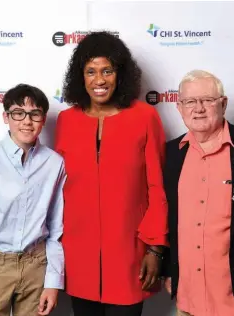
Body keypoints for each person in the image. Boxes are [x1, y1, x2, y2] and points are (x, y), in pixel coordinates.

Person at [55, 31, 168, 316]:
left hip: (130, 253)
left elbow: (157, 186)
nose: (100, 80)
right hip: (78, 255)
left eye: (107, 70)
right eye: (91, 71)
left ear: (121, 74)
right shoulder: (67, 121)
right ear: (80, 76)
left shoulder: (144, 117)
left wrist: (155, 248)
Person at [162, 70, 234, 316]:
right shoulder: (170, 154)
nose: (198, 108)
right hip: (187, 299)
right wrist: (169, 269)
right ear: (179, 107)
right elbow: (168, 216)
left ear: (223, 103)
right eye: (190, 102)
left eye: (207, 100)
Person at [0, 84, 66, 316]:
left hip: (36, 266)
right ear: (6, 117)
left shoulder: (54, 163)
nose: (26, 121)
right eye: (18, 113)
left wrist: (53, 282)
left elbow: (56, 228)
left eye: (34, 114)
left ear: (43, 119)